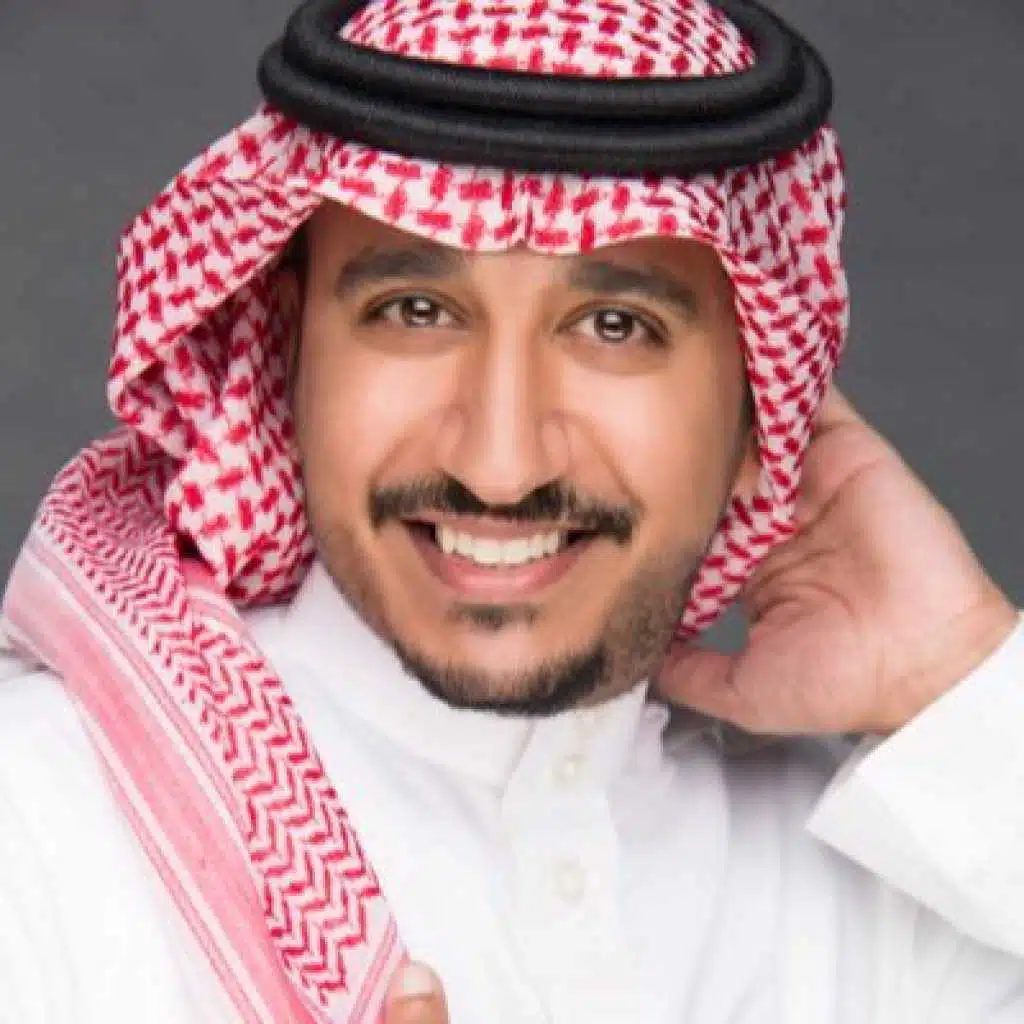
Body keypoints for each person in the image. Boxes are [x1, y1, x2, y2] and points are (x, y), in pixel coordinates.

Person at [0, 0, 1020, 1022]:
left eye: (613, 324)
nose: (499, 466)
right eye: (415, 311)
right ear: (288, 349)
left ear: (766, 406)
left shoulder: (904, 893)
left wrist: (961, 671)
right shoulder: (41, 833)